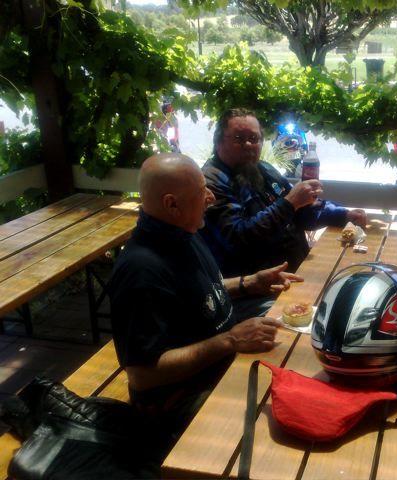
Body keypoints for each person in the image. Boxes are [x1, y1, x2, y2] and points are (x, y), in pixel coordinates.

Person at [108, 153, 300, 459]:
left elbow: (197, 291)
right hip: (178, 402)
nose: (211, 197)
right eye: (201, 191)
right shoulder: (141, 270)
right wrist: (231, 340)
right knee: (277, 434)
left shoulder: (182, 232)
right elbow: (143, 374)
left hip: (220, 363)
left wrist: (250, 282)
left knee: (295, 361)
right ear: (172, 204)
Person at [199, 108, 367, 316]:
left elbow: (301, 213)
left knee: (355, 291)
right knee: (327, 317)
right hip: (255, 291)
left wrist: (342, 215)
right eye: (239, 138)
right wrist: (289, 203)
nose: (248, 144)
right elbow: (238, 239)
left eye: (254, 138)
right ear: (218, 142)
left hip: (295, 275)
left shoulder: (263, 169)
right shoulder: (212, 182)